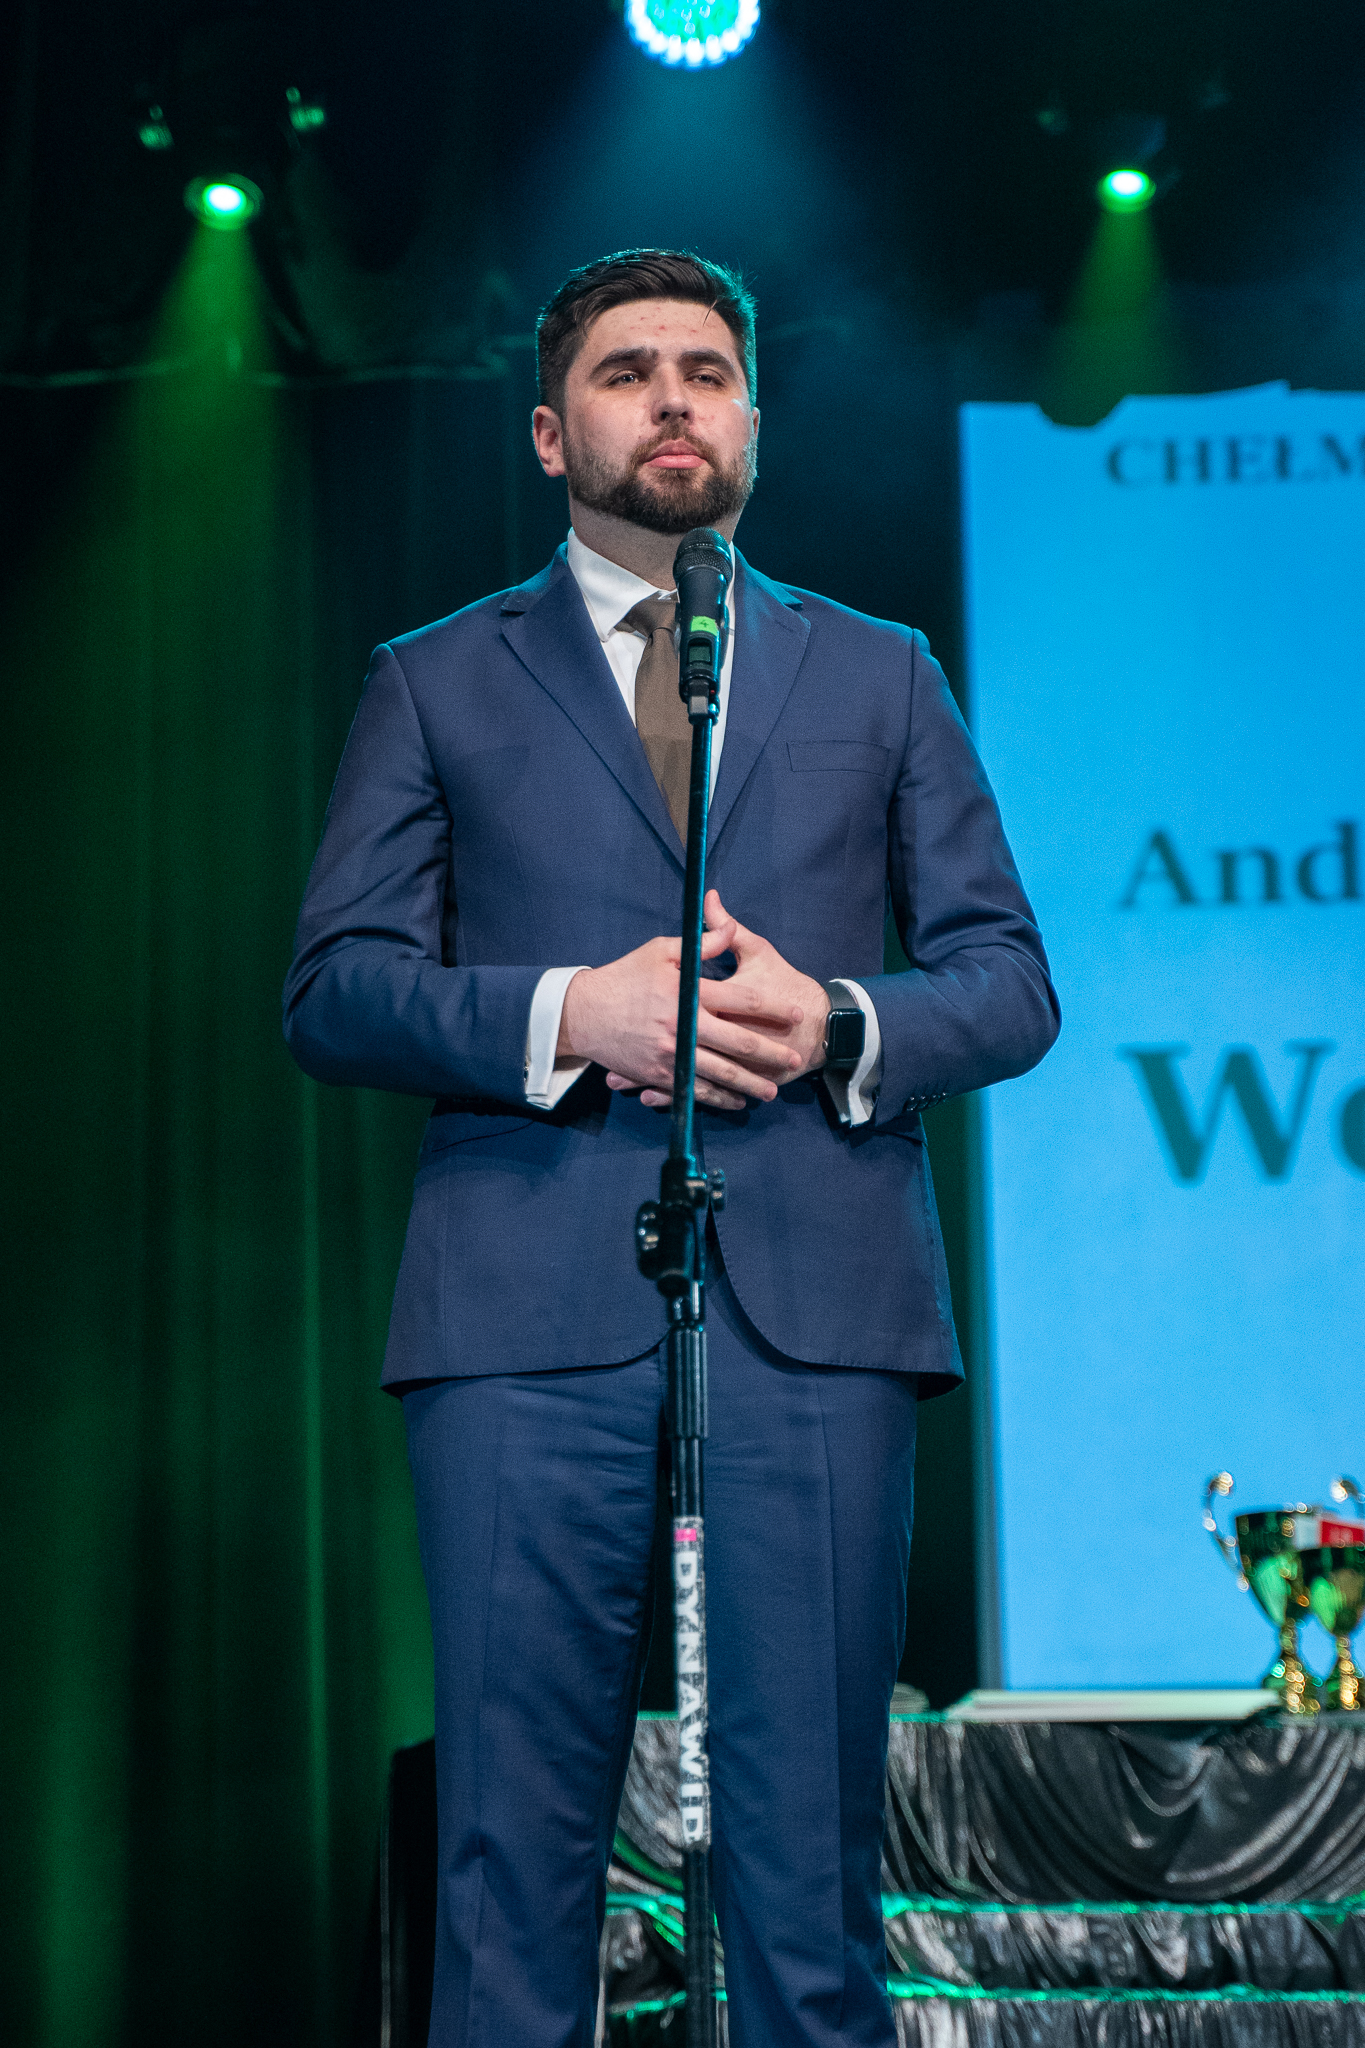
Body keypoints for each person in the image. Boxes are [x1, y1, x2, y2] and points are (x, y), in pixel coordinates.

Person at [284, 248, 1059, 2048]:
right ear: (551, 435)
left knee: (805, 1873)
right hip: (520, 1324)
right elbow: (336, 991)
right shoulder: (433, 680)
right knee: (508, 1855)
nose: (673, 401)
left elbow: (1006, 984)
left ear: (754, 422)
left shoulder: (878, 673)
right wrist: (575, 1013)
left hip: (813, 1320)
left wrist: (837, 1020)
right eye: (628, 373)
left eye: (706, 372)